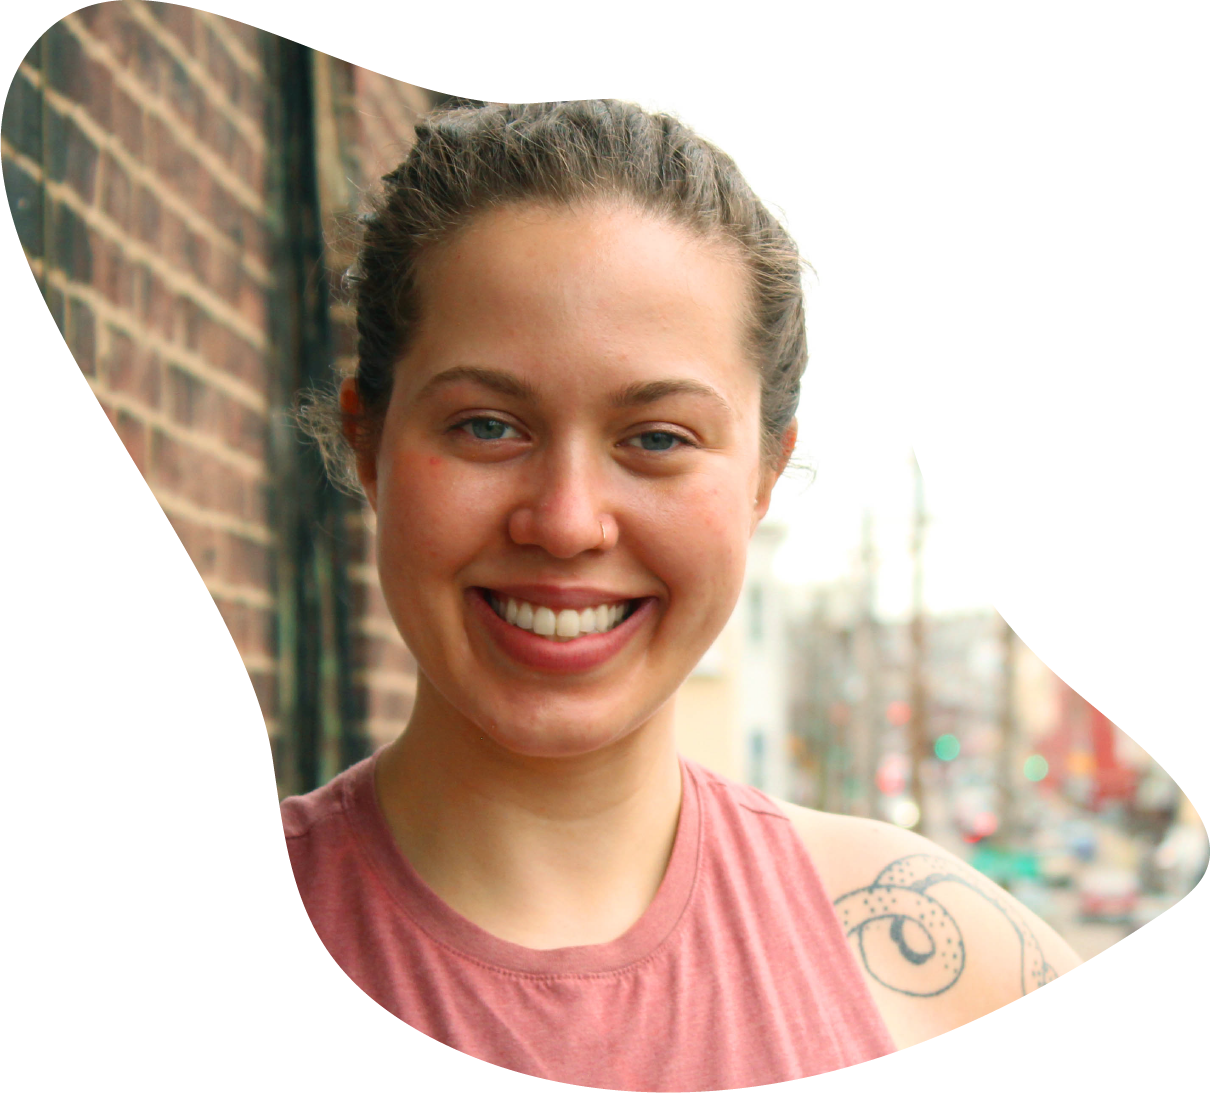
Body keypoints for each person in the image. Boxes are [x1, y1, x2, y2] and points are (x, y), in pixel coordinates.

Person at [281, 98, 1084, 1092]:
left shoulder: (969, 986)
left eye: (657, 438)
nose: (568, 519)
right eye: (488, 426)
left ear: (762, 478)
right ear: (368, 445)